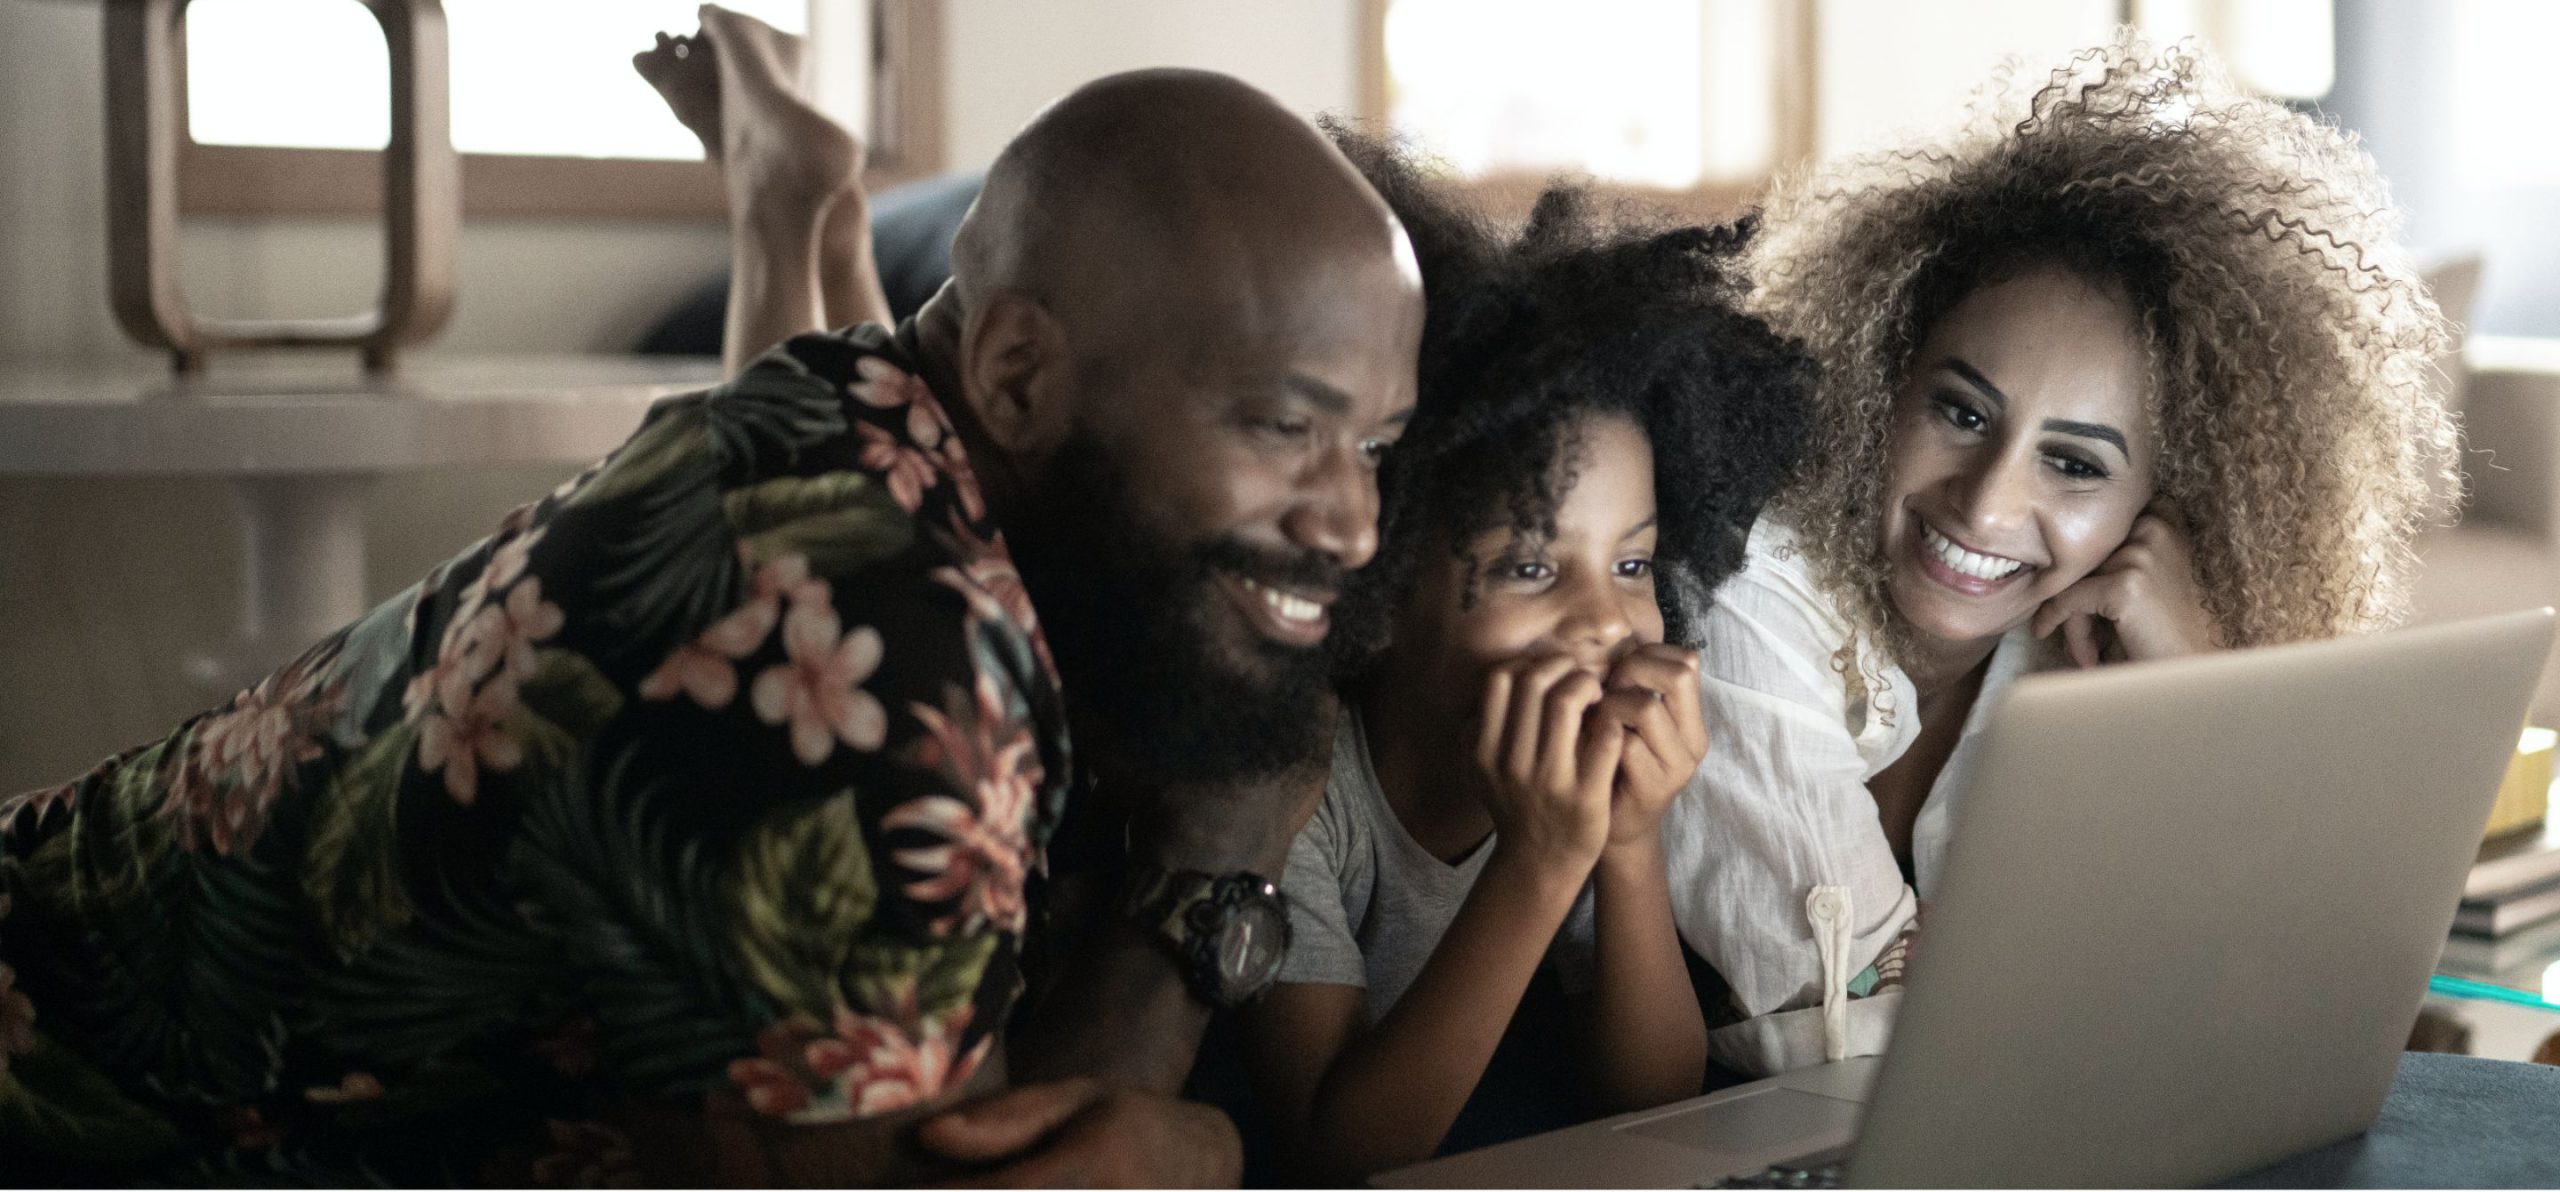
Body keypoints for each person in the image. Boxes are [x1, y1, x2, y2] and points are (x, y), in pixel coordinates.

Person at [0, 17, 1424, 1184]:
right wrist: (1197, 1006)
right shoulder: (858, 685)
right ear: (1016, 375)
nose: (1352, 521)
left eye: (1373, 446)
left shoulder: (844, 405)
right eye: (1280, 427)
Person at [1663, 32, 2458, 1075]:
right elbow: (1856, 1059)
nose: (1989, 502)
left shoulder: (2085, 647)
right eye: (1958, 410)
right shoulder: (1749, 590)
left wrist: (2204, 687)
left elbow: (2309, 1007)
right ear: (1878, 382)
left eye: (2075, 465)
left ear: (2162, 503)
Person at [1236, 135, 1812, 1182]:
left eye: (1632, 561)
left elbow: (1650, 1104)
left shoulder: (1585, 762)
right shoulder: (1300, 785)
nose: (1605, 621)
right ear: (1382, 578)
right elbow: (1334, 1149)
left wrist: (1627, 845)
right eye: (1533, 569)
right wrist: (1545, 857)